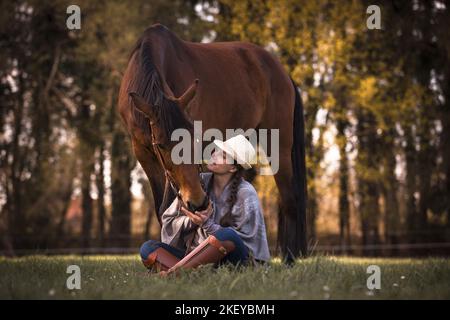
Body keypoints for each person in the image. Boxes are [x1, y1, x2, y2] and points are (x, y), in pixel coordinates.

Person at [139, 134, 270, 274]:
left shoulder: (246, 193)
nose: (215, 154)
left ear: (233, 168)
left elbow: (246, 242)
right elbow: (169, 220)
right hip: (195, 256)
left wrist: (207, 224)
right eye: (217, 150)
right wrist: (192, 220)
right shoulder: (198, 183)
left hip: (231, 260)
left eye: (223, 155)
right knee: (148, 248)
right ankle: (190, 273)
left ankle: (174, 273)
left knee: (228, 235)